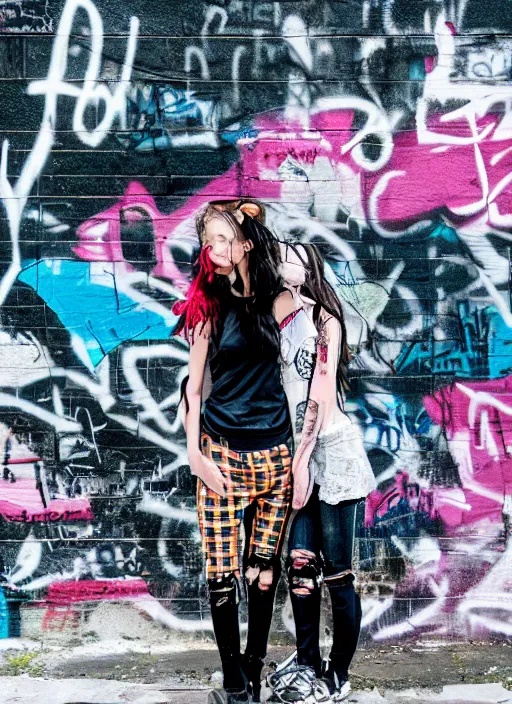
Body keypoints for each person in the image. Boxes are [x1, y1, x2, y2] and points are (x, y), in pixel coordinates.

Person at [173, 200, 296, 704]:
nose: (214, 249)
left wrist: (253, 230)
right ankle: (233, 682)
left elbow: (308, 360)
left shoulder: (281, 300)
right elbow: (194, 390)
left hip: (275, 459)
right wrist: (195, 456)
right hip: (220, 457)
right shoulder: (208, 307)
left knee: (263, 570)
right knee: (222, 574)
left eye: (225, 238)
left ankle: (253, 666)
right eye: (209, 240)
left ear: (245, 244)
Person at [269, 242, 376, 704]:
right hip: (300, 454)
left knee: (336, 573)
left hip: (332, 452)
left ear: (310, 264)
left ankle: (339, 672)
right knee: (298, 564)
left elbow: (317, 393)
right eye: (277, 253)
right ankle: (309, 661)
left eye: (291, 253)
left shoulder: (325, 322)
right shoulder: (278, 311)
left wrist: (300, 460)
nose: (281, 258)